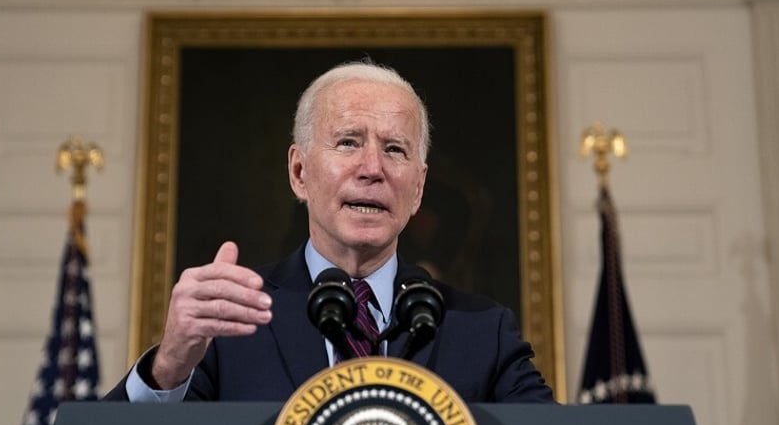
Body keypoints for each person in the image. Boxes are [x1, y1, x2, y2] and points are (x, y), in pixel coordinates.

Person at [105, 61, 554, 403]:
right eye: (348, 143)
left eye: (395, 149)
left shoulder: (483, 332)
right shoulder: (229, 324)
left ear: (417, 189)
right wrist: (168, 367)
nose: (373, 169)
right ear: (299, 172)